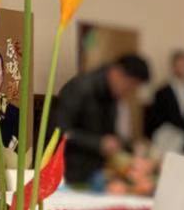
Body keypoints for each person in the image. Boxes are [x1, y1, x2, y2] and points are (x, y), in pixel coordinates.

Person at [50, 53, 150, 184]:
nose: (129, 91)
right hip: (67, 170)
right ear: (116, 73)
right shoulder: (79, 88)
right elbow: (58, 131)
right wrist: (98, 143)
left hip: (93, 170)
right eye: (130, 85)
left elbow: (109, 134)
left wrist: (129, 147)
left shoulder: (112, 95)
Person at [146, 49, 184, 146]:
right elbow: (155, 120)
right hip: (167, 138)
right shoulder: (162, 92)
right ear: (173, 67)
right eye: (181, 65)